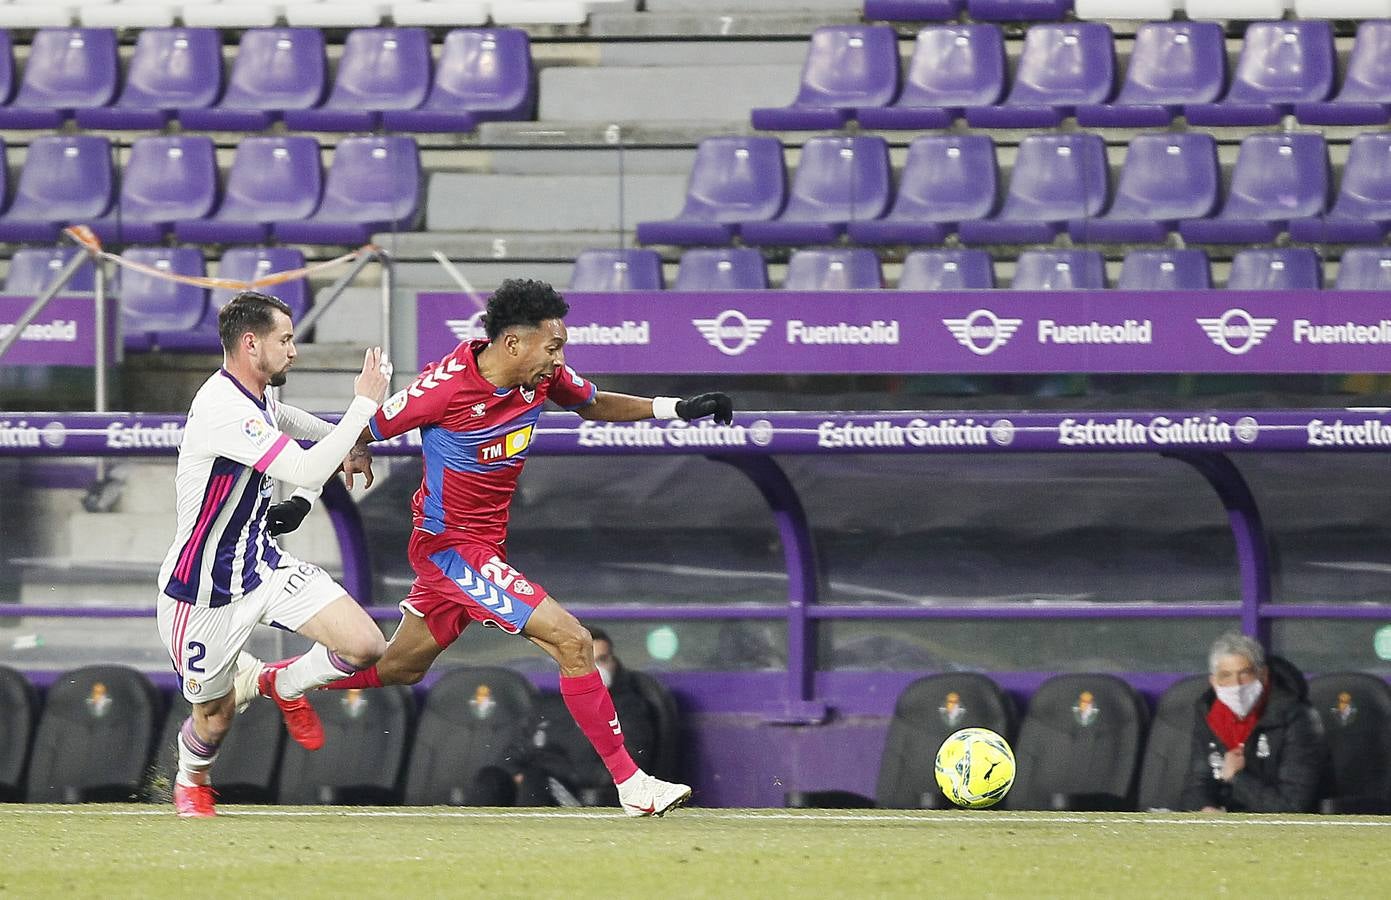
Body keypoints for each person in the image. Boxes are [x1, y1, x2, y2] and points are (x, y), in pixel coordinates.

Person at [247, 278, 731, 817]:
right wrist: (307, 495)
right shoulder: (444, 388)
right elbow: (357, 431)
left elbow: (594, 404)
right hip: (451, 549)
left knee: (401, 667)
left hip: (481, 551)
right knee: (574, 642)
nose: (559, 359)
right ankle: (632, 784)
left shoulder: (541, 378)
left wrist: (675, 408)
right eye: (553, 347)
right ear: (513, 343)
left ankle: (269, 680)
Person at [156, 290, 390, 818]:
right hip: (203, 590)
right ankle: (191, 781)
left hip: (262, 563)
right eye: (284, 340)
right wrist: (362, 407)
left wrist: (349, 439)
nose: (293, 351)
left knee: (365, 644)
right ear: (250, 343)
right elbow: (305, 468)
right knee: (214, 716)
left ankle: (276, 682)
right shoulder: (222, 408)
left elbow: (292, 422)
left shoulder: (255, 397)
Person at [471, 628, 661, 807]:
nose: (595, 669)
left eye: (601, 660)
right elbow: (511, 755)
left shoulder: (629, 709)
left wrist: (560, 773)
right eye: (585, 661)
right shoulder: (548, 705)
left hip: (579, 794)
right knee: (491, 778)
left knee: (536, 781)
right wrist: (517, 774)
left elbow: (629, 764)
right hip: (533, 783)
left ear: (614, 663)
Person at [1180, 631, 1326, 813]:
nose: (1236, 684)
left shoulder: (1298, 717)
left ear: (1263, 675)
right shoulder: (1208, 713)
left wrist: (1237, 778)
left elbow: (1292, 805)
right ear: (1214, 682)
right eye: (1226, 675)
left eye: (1245, 673)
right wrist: (1205, 809)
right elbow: (1197, 782)